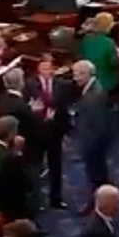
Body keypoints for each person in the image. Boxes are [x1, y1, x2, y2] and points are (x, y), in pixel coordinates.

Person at [25, 54, 70, 209]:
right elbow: (26, 110)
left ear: (53, 69)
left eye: (48, 68)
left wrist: (64, 129)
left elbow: (64, 108)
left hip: (55, 132)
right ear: (38, 69)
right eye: (43, 68)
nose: (46, 71)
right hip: (36, 134)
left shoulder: (62, 85)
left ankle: (56, 199)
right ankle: (36, 201)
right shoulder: (29, 85)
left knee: (56, 167)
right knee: (35, 168)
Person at [72, 60, 114, 206]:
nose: (74, 78)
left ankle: (100, 203)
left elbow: (98, 126)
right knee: (98, 173)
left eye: (77, 75)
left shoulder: (93, 96)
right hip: (93, 142)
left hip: (93, 144)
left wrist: (88, 147)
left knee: (97, 175)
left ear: (86, 74)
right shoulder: (92, 89)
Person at [0, 116, 36, 221]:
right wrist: (19, 153)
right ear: (11, 135)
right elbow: (28, 183)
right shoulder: (11, 158)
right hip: (11, 205)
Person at [0, 68, 42, 171]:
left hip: (5, 150)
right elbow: (34, 129)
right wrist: (34, 113)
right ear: (21, 83)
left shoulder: (0, 100)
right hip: (24, 153)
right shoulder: (21, 107)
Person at [79, 12, 119, 93]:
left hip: (89, 82)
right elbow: (113, 63)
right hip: (106, 82)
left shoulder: (85, 39)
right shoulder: (108, 42)